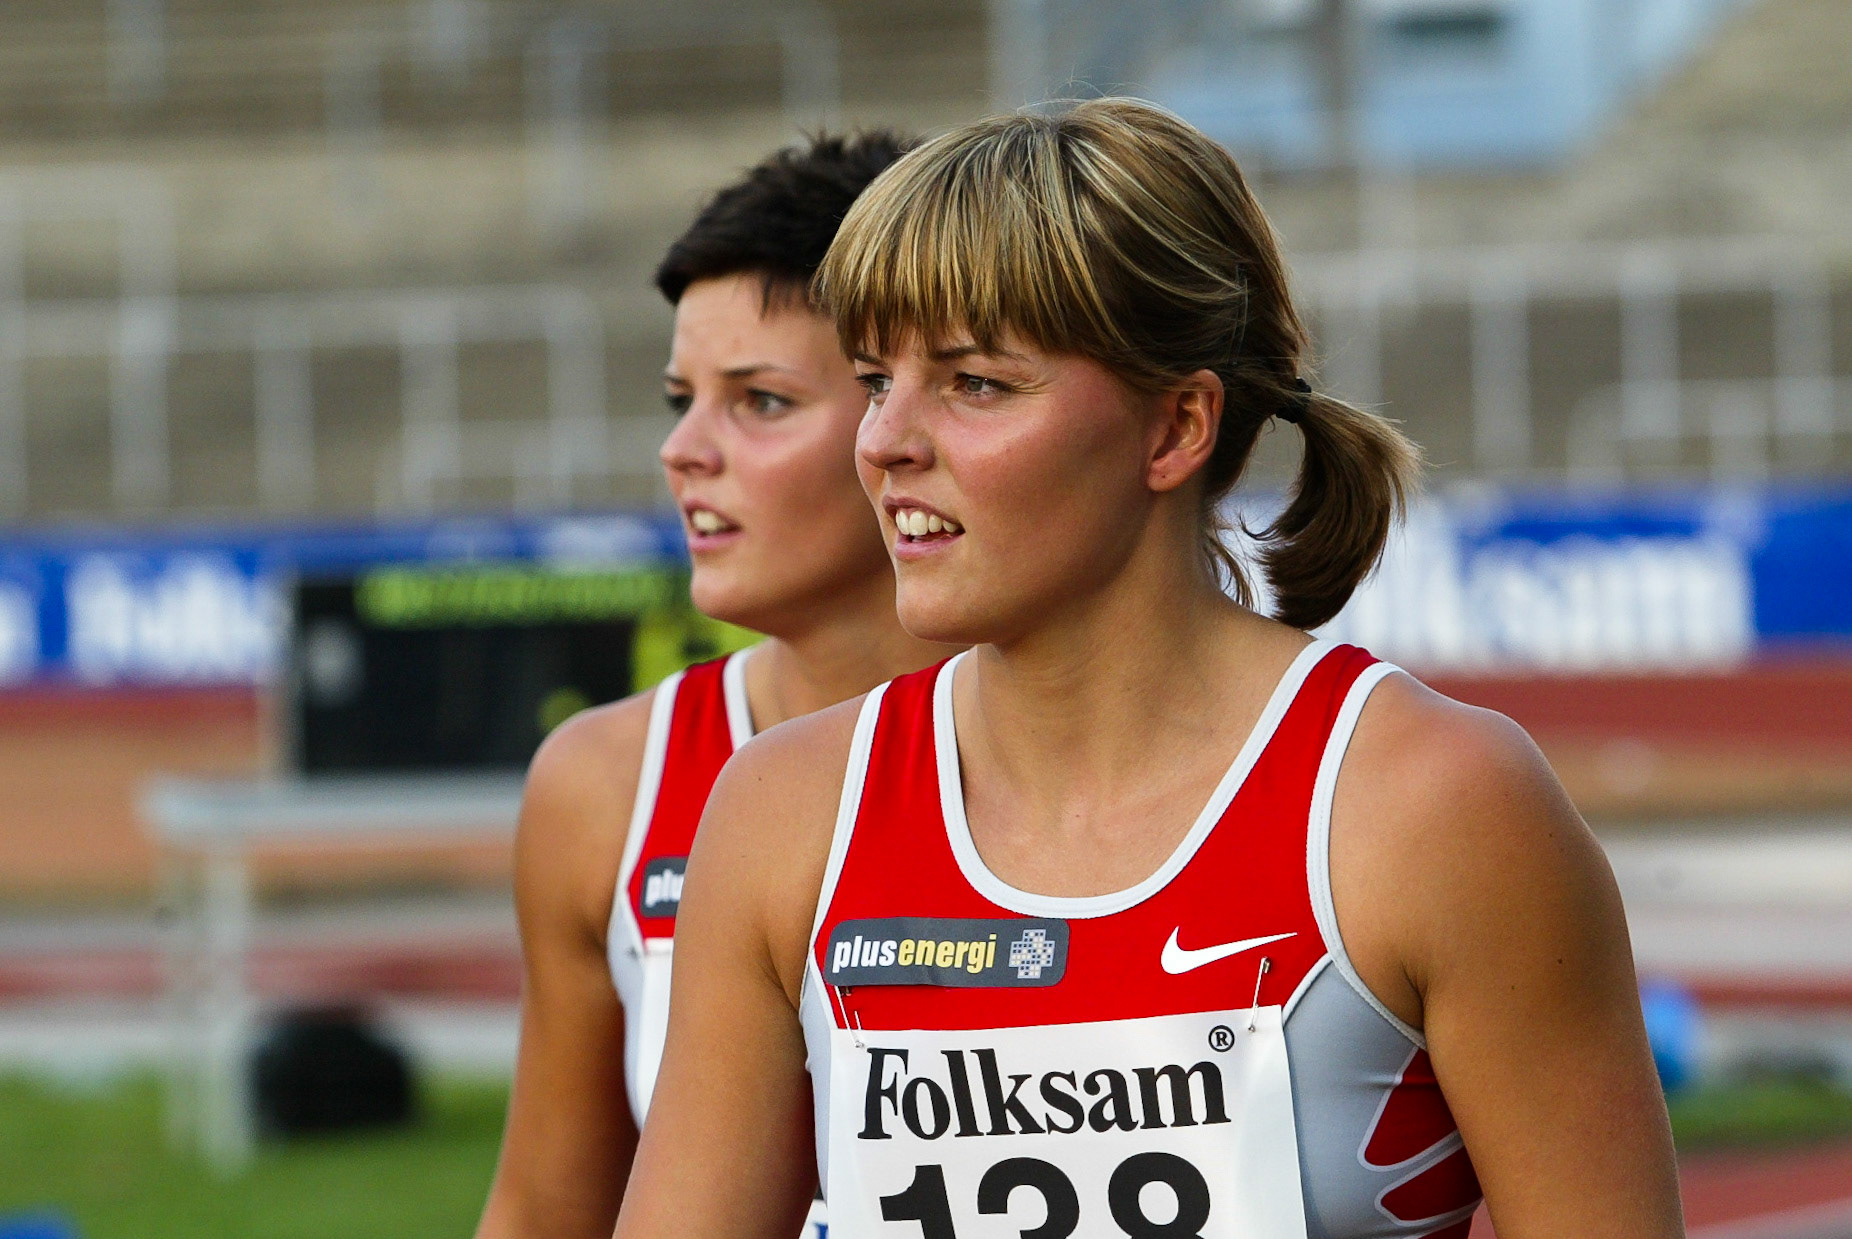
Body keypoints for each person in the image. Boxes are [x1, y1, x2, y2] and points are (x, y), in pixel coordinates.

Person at [616, 99, 1685, 1239]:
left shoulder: (1434, 805)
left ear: (1175, 428)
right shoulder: (784, 813)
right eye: (877, 379)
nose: (882, 442)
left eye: (975, 382)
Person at [474, 133, 954, 1239]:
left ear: (907, 413)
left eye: (761, 401)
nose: (682, 450)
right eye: (679, 397)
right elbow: (551, 1208)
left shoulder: (1135, 762)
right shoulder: (605, 785)